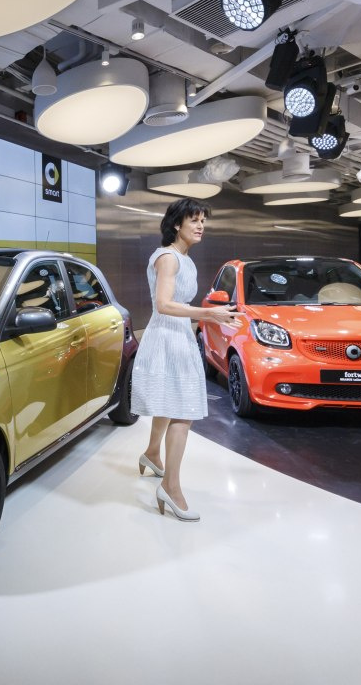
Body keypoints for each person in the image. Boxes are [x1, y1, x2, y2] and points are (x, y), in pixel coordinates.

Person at [130, 198, 240, 522]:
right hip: (167, 337)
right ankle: (170, 486)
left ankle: (153, 453)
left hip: (178, 336)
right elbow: (164, 304)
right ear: (177, 224)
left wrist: (206, 316)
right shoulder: (168, 258)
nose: (201, 226)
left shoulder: (185, 259)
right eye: (194, 220)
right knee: (183, 412)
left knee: (171, 404)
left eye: (203, 220)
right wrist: (208, 314)